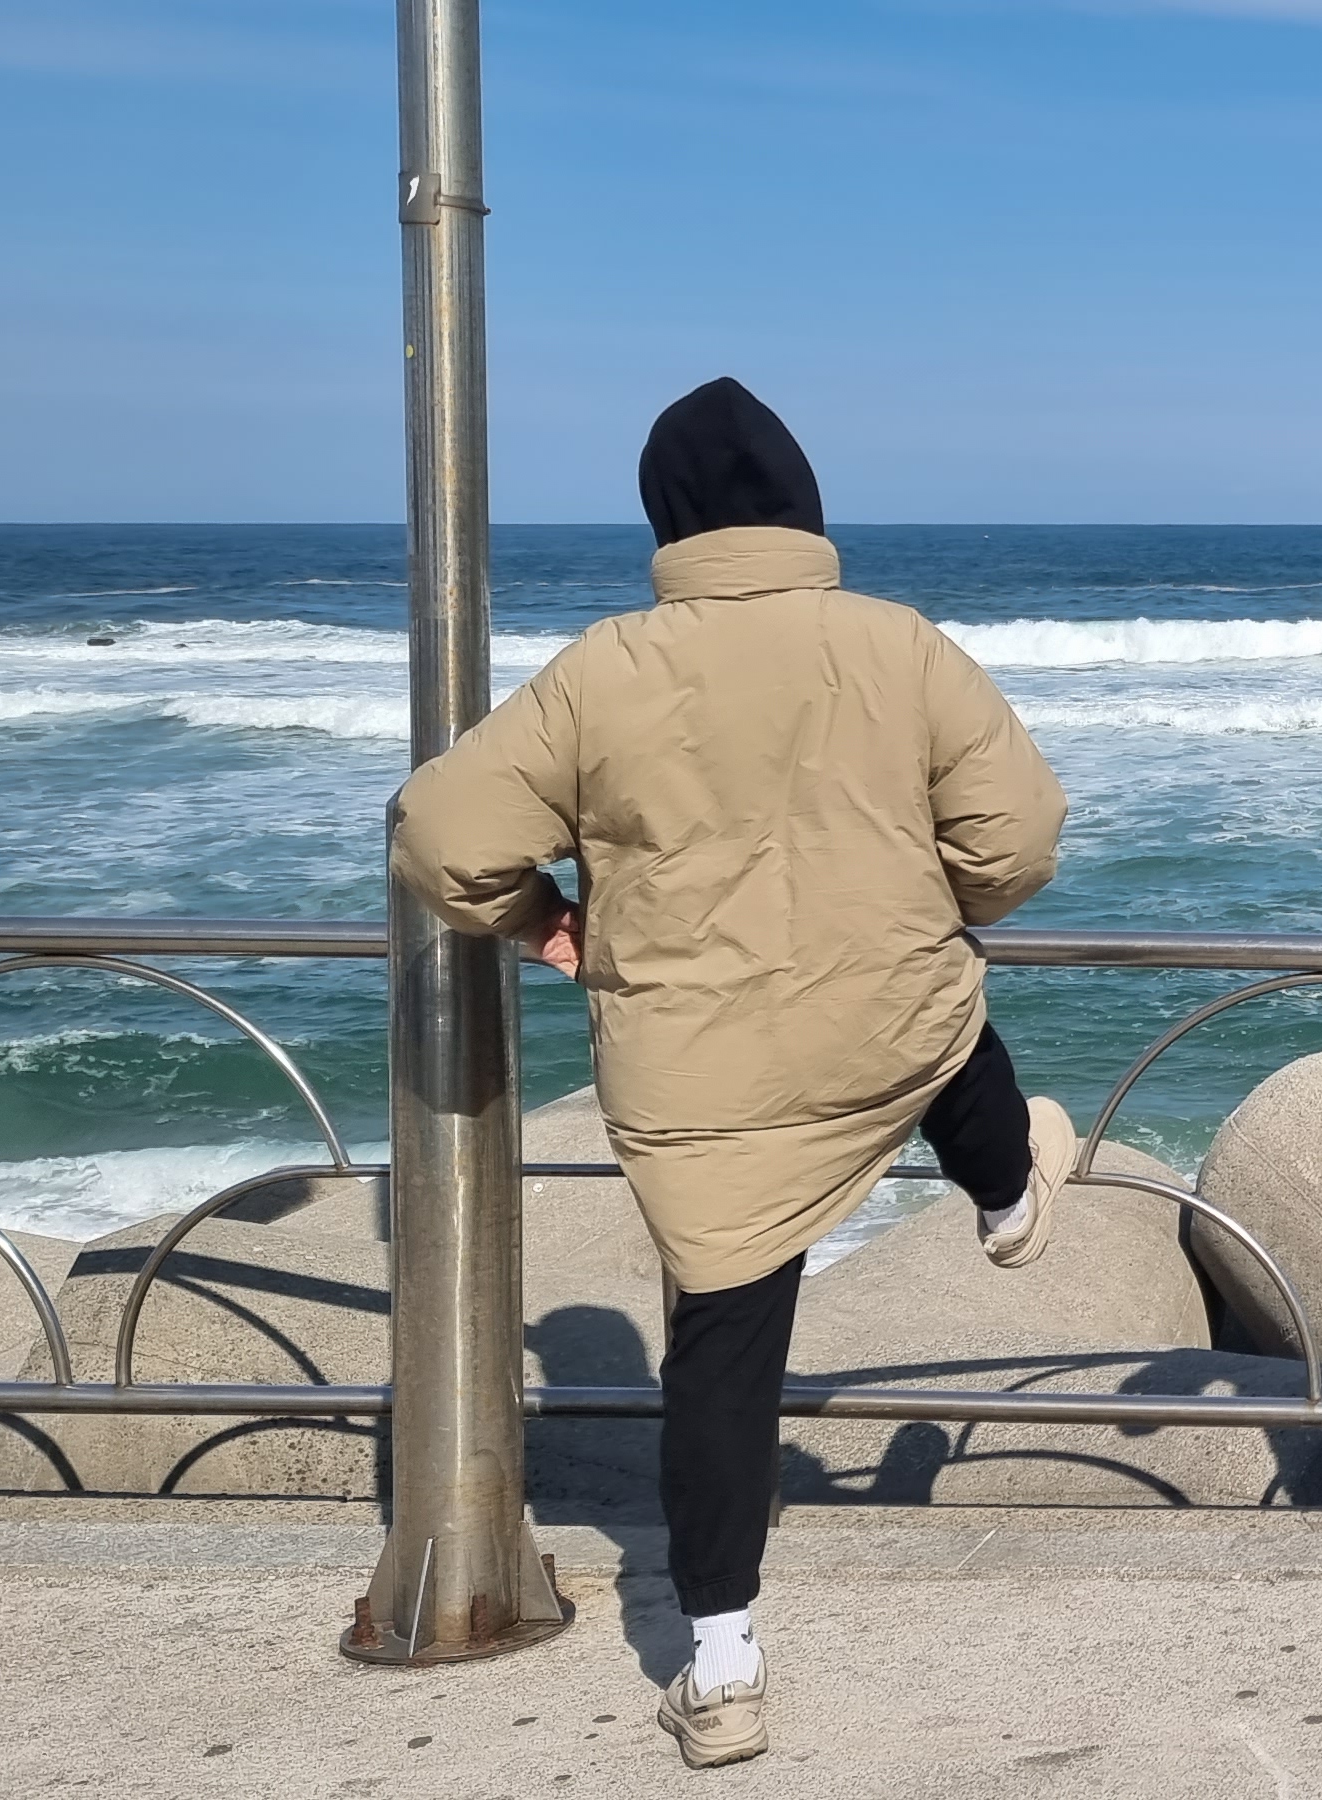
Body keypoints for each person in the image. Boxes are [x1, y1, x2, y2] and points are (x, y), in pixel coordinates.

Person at [391, 377, 1078, 1770]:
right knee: (942, 1018)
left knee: (721, 1356)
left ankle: (720, 1668)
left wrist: (543, 920)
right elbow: (1016, 842)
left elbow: (441, 836)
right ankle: (1008, 1196)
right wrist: (921, 899)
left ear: (668, 522)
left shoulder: (604, 668)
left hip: (698, 1075)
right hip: (878, 1016)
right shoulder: (899, 644)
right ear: (805, 508)